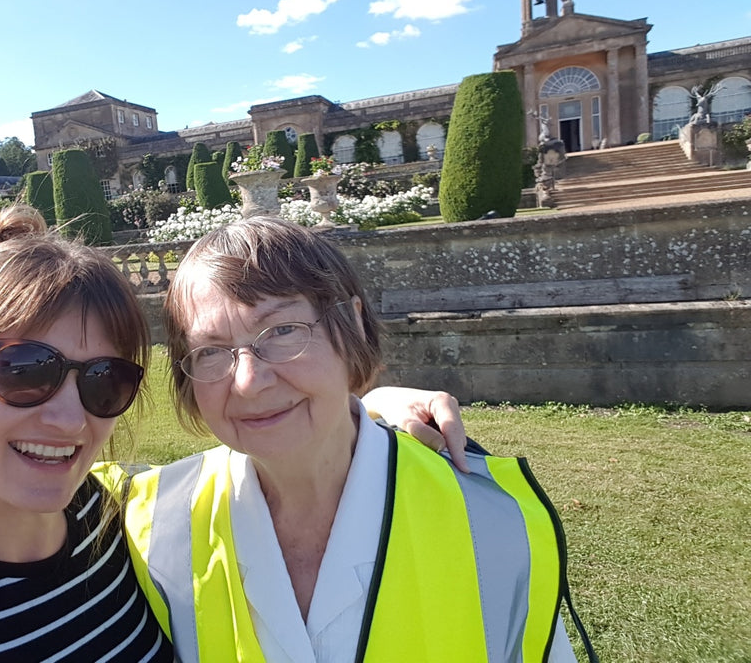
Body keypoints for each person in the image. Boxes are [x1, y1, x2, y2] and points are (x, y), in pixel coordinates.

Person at [0, 205, 465, 662]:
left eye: (104, 380)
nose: (68, 417)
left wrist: (364, 401)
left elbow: (283, 436)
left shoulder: (126, 521)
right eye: (26, 370)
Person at [111, 216, 597, 663]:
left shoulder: (492, 520)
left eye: (282, 330)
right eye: (211, 351)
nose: (248, 381)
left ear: (354, 322)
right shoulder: (148, 523)